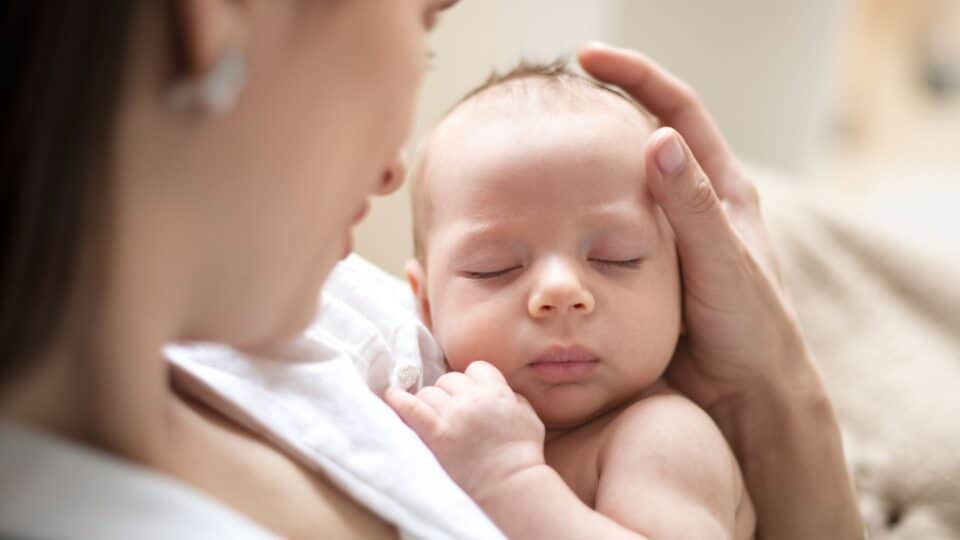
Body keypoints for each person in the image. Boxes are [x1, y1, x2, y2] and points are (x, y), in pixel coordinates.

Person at [0, 1, 863, 538]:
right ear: (219, 12)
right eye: (425, 21)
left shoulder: (330, 312)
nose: (390, 171)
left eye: (617, 257)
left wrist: (772, 389)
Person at [390, 61, 755, 538]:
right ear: (426, 305)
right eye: (495, 268)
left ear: (686, 285)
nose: (561, 293)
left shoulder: (662, 435)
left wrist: (507, 480)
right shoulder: (454, 414)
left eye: (615, 258)